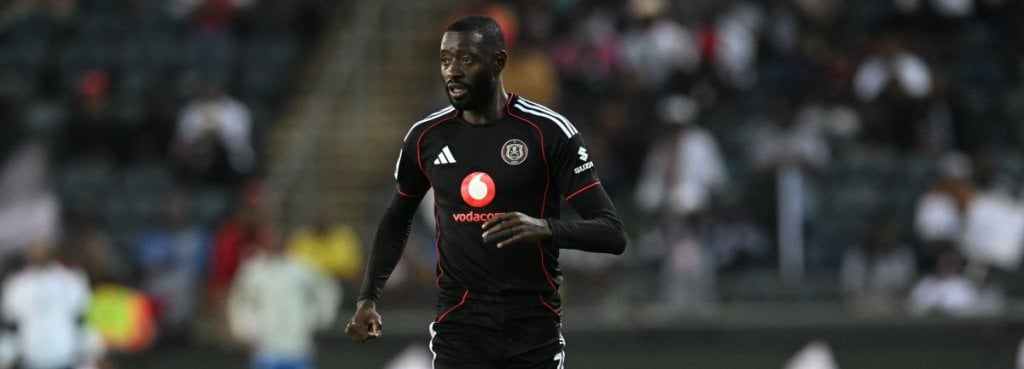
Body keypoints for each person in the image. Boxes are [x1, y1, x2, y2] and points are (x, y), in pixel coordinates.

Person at [345, 15, 627, 369]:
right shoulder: (426, 137)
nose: (452, 71)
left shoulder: (548, 131)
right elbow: (396, 219)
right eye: (445, 60)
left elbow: (612, 232)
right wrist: (368, 298)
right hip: (461, 327)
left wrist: (545, 228)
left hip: (533, 326)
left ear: (498, 62)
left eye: (466, 59)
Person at [227, 240, 338, 369]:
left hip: (298, 346)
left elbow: (328, 289)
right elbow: (239, 299)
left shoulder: (302, 268)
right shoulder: (254, 271)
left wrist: (320, 320)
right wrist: (244, 328)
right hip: (266, 346)